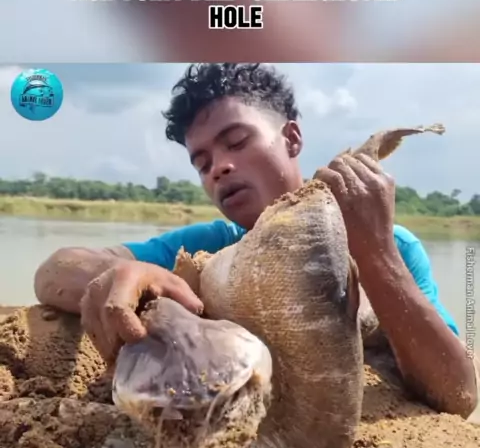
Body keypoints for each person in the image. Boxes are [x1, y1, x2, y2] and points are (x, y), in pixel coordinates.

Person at [34, 63, 477, 419]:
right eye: (202, 162)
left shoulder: (394, 245)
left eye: (236, 141)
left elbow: (459, 395)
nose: (219, 168)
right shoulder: (210, 247)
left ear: (292, 138)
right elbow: (55, 269)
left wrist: (376, 253)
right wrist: (125, 274)